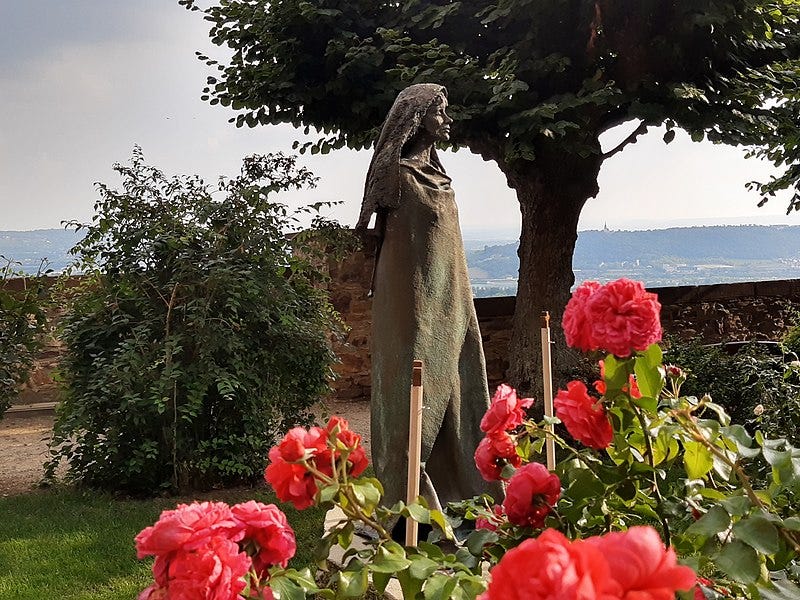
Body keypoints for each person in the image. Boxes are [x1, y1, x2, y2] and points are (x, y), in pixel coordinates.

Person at [356, 83, 496, 515]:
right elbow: (375, 241)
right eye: (441, 112)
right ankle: (406, 497)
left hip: (451, 300)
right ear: (417, 120)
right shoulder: (396, 177)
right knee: (411, 390)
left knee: (458, 384)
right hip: (411, 304)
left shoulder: (438, 176)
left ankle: (465, 488)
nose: (448, 120)